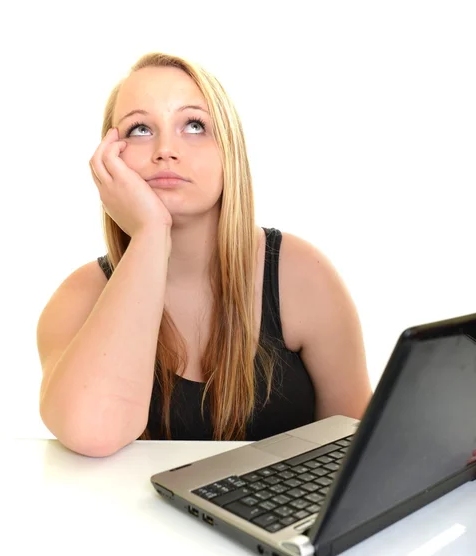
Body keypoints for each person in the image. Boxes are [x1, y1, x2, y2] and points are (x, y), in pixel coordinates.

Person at [36, 52, 372, 458]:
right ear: (111, 157)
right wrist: (150, 234)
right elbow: (92, 433)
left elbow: (358, 442)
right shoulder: (79, 297)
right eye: (140, 129)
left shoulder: (302, 274)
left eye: (194, 125)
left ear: (229, 151)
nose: (165, 150)